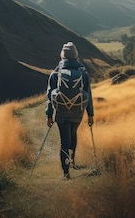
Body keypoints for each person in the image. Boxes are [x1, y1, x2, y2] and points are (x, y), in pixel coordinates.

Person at [46, 42, 94, 179]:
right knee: (73, 135)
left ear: (62, 56)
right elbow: (89, 96)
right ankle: (73, 162)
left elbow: (50, 98)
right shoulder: (83, 73)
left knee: (64, 140)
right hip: (77, 113)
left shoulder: (55, 74)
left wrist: (49, 115)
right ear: (75, 56)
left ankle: (66, 171)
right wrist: (90, 115)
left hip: (60, 113)